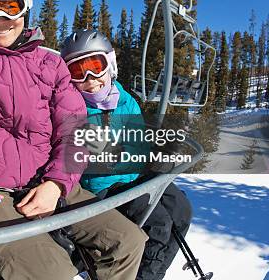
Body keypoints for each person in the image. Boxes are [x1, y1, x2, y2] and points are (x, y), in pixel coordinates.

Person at [0, 0, 148, 280]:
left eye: (11, 6)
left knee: (127, 242)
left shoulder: (50, 64)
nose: (1, 18)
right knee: (53, 273)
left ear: (26, 9)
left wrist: (57, 183)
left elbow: (73, 127)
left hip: (48, 180)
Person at [61, 29, 193, 280]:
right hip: (100, 188)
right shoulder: (71, 106)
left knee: (180, 208)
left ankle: (154, 271)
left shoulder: (126, 101)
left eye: (95, 66)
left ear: (109, 64)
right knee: (159, 223)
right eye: (78, 71)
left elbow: (138, 146)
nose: (90, 79)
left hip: (130, 178)